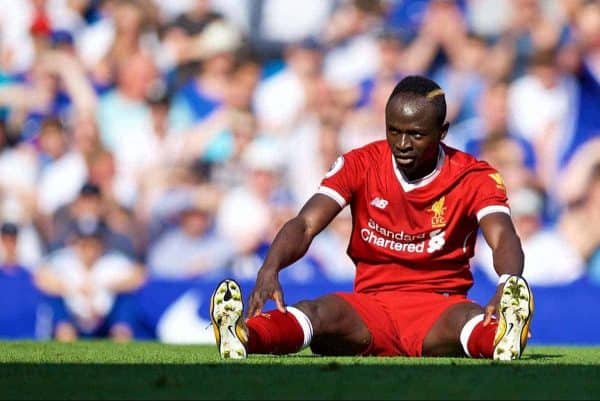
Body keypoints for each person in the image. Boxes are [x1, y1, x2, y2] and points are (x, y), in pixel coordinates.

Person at [209, 75, 534, 361]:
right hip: (370, 308)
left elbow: (503, 236)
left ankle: (502, 336)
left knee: (470, 320)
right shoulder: (360, 164)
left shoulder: (474, 176)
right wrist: (270, 266)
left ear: (443, 132)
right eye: (394, 131)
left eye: (416, 134)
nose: (403, 144)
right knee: (317, 311)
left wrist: (508, 285)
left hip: (439, 307)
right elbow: (306, 224)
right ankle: (244, 335)